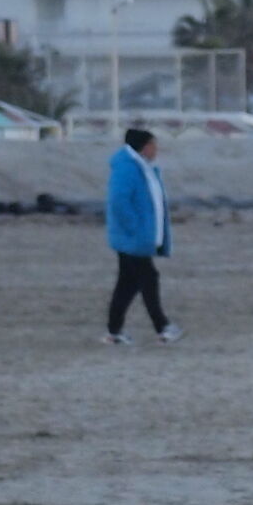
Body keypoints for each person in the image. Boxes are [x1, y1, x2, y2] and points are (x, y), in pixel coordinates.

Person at [105, 128, 179, 344]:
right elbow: (119, 201)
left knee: (127, 283)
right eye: (153, 144)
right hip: (132, 238)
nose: (156, 149)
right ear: (143, 146)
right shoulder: (127, 168)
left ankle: (114, 331)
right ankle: (162, 327)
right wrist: (135, 228)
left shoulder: (144, 168)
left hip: (138, 237)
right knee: (148, 278)